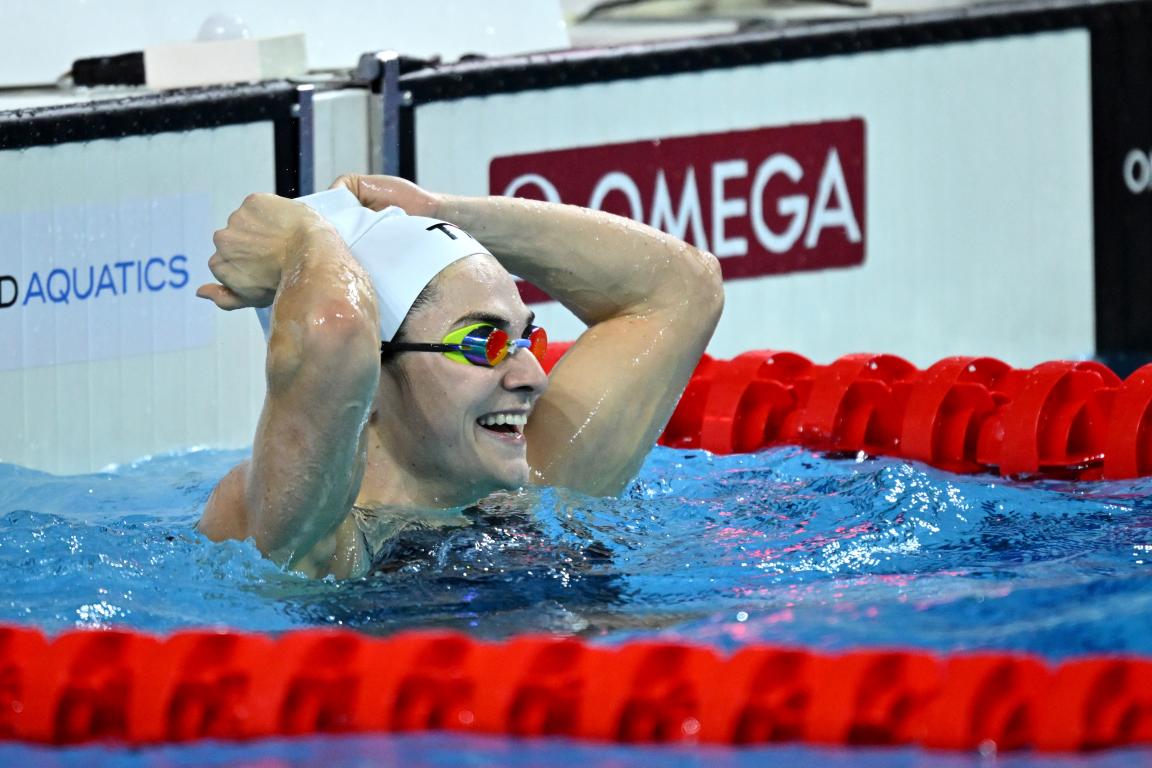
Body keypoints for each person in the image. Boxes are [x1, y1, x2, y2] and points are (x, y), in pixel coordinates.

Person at [196, 174, 724, 578]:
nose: (533, 376)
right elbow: (335, 334)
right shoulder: (312, 537)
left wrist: (444, 213)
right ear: (370, 380)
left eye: (526, 339)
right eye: (480, 343)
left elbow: (683, 288)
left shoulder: (536, 483)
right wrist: (302, 238)